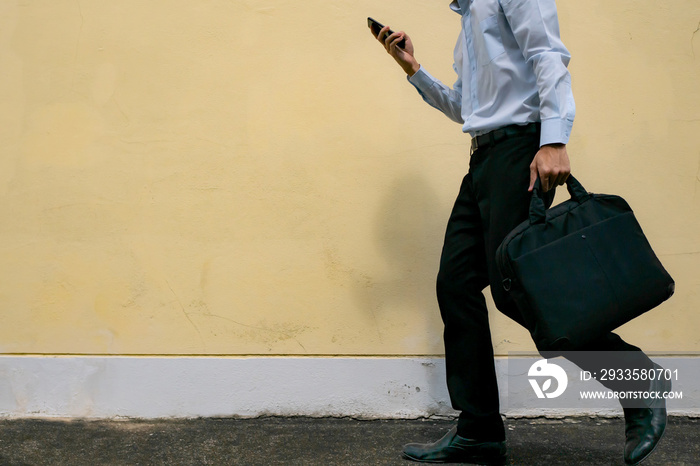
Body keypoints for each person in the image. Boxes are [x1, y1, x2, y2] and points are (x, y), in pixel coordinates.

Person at [370, 1, 668, 464]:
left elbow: (548, 53)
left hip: (520, 153)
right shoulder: (467, 22)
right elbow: (465, 107)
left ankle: (636, 381)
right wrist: (413, 69)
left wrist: (554, 139)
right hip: (483, 160)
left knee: (521, 291)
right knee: (456, 284)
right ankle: (479, 430)